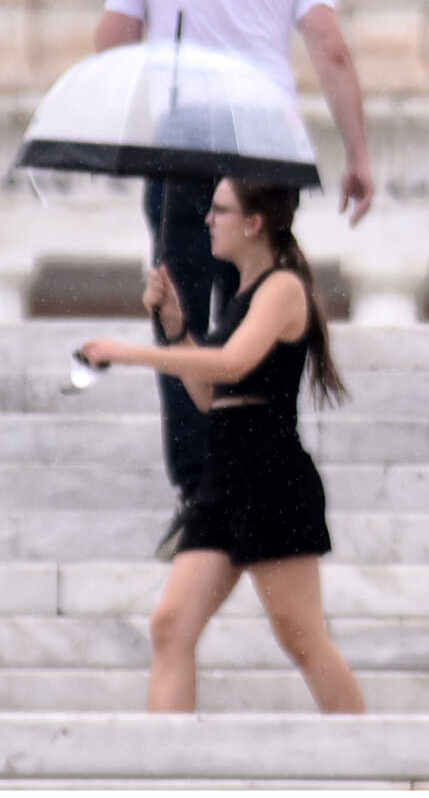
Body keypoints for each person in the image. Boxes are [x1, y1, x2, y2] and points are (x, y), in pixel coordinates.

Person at [96, 0, 374, 555]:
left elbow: (113, 42)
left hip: (182, 141)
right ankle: (251, 460)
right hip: (265, 147)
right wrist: (357, 156)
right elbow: (331, 51)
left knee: (177, 306)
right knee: (253, 304)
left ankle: (199, 485)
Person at [81, 176, 365, 715]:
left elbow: (234, 363)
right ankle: (171, 777)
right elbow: (213, 395)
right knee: (171, 626)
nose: (208, 220)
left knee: (301, 637)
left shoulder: (282, 288)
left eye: (222, 211)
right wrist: (176, 329)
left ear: (254, 223)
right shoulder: (240, 295)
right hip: (224, 473)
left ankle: (374, 760)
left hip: (271, 475)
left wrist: (131, 352)